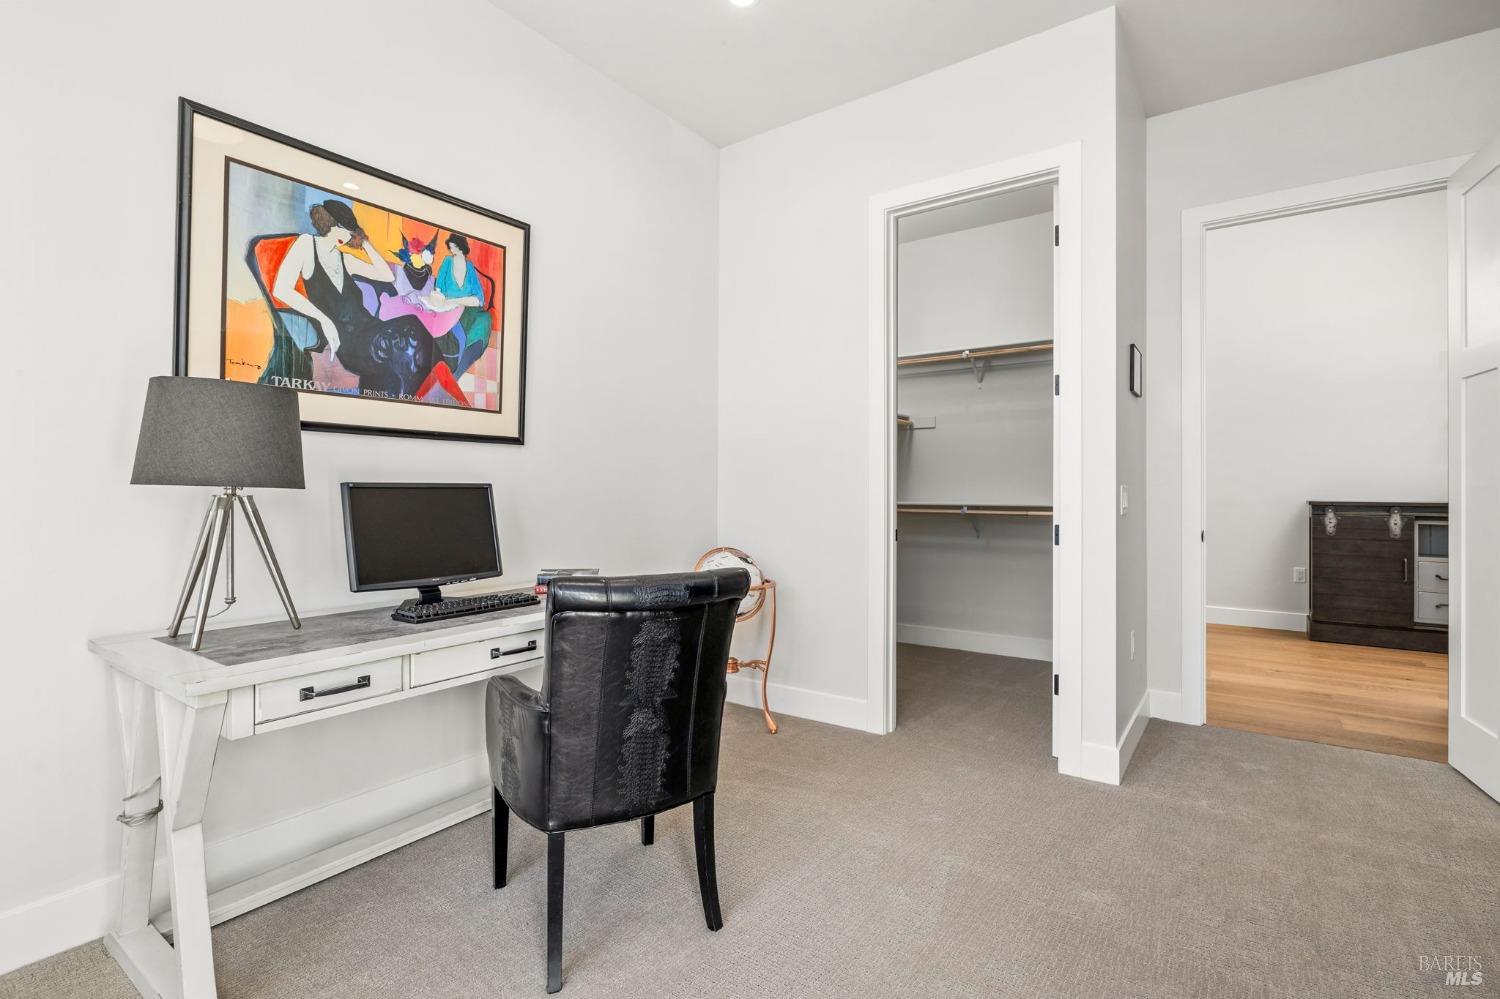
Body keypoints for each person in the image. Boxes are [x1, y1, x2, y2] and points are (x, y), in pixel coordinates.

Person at [272, 200, 435, 398]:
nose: (349, 236)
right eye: (346, 230)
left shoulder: (345, 260)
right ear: (330, 223)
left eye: (352, 232)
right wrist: (324, 319)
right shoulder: (307, 244)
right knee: (399, 348)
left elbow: (387, 276)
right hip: (349, 342)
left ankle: (431, 391)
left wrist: (364, 241)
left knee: (412, 325)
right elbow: (281, 289)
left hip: (372, 327)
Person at [426, 233, 492, 377]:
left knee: (484, 320)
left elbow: (479, 297)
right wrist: (443, 298)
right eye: (450, 247)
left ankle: (457, 372)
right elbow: (439, 288)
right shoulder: (447, 261)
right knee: (460, 330)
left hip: (468, 308)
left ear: (462, 247)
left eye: (454, 247)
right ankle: (453, 374)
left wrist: (458, 300)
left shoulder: (470, 266)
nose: (452, 250)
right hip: (449, 308)